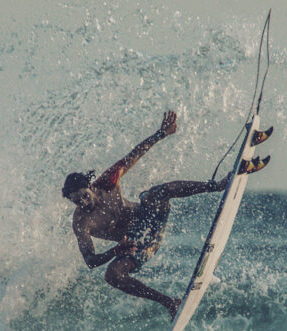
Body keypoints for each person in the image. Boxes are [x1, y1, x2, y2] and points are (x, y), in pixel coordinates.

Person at [63, 110, 227, 319]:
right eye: (77, 201)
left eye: (84, 196)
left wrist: (162, 133)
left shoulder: (107, 182)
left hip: (150, 219)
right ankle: (170, 302)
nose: (83, 203)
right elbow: (90, 261)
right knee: (112, 275)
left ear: (90, 187)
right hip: (137, 245)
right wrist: (116, 250)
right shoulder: (81, 222)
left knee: (153, 195)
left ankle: (215, 186)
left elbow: (134, 154)